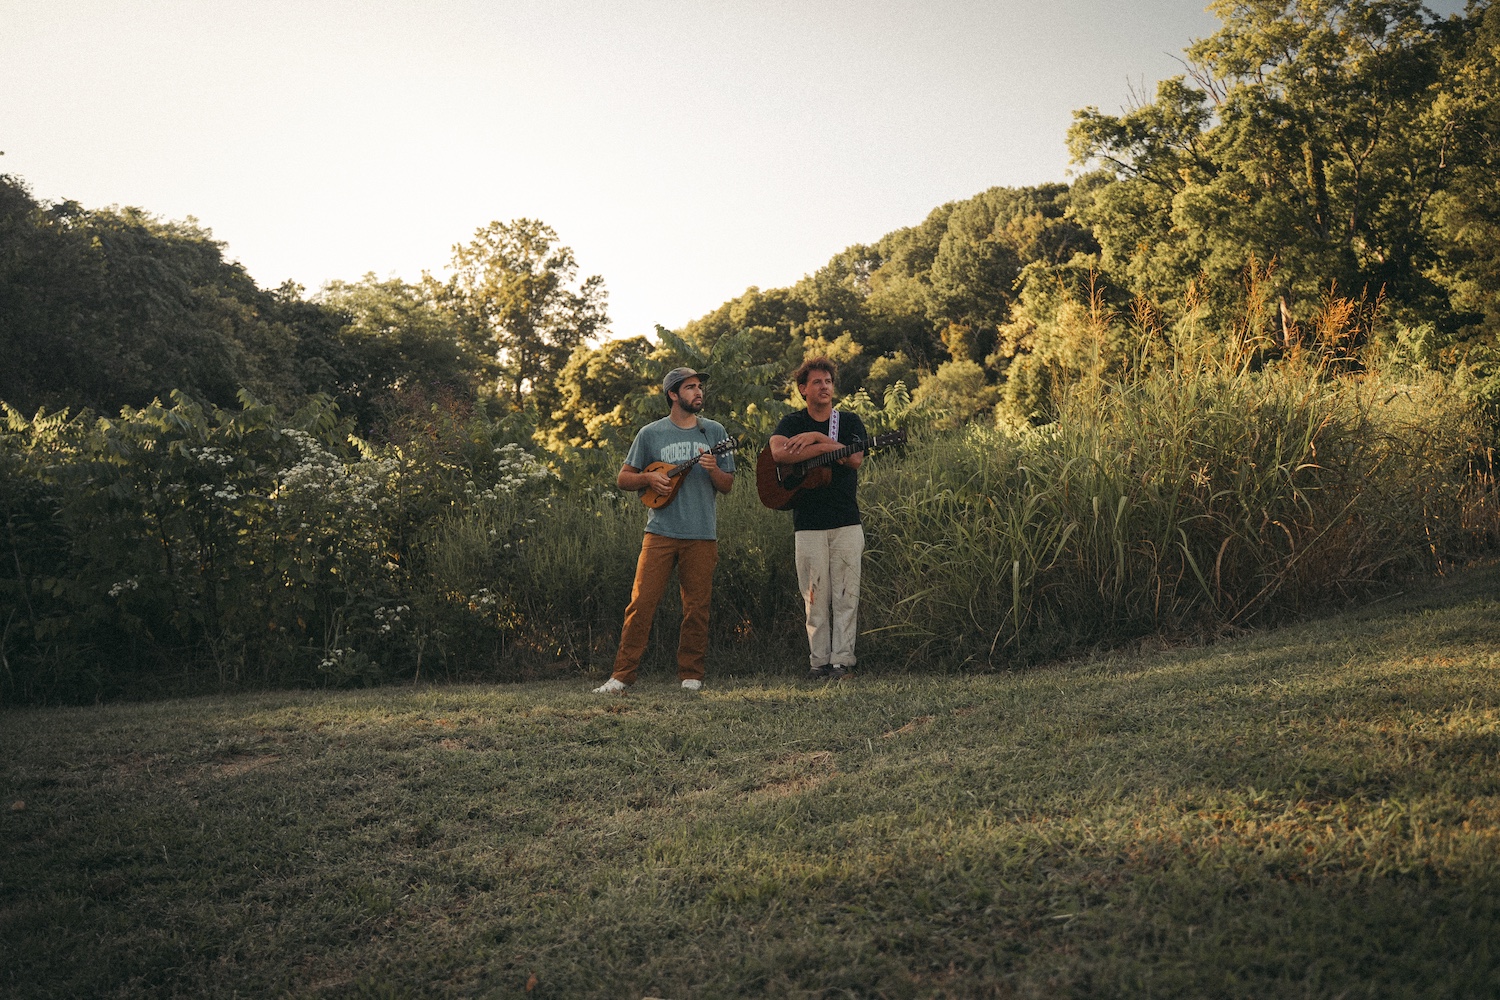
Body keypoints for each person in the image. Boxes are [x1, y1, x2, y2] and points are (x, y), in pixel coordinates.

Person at [594, 367, 735, 693]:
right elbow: (623, 478)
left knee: (697, 608)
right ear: (673, 394)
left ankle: (691, 676)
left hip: (701, 533)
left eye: (700, 387)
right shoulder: (651, 434)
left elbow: (727, 485)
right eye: (690, 387)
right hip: (659, 532)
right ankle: (621, 676)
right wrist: (648, 478)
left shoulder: (715, 432)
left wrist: (713, 469)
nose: (698, 392)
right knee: (641, 604)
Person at [768, 357, 868, 680]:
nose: (824, 387)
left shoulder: (849, 422)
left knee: (845, 594)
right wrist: (815, 443)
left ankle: (843, 662)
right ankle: (818, 663)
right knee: (814, 596)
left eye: (828, 381)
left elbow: (853, 458)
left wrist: (816, 439)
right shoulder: (791, 422)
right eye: (817, 382)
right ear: (802, 389)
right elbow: (778, 453)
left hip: (846, 521)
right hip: (808, 522)